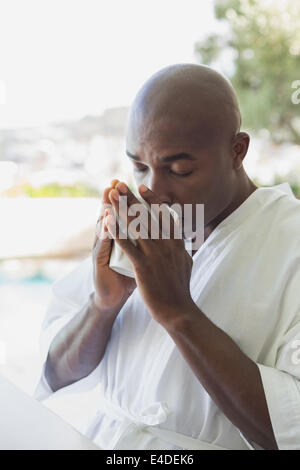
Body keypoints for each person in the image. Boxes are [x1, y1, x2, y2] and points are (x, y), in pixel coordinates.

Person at [34, 64, 300, 450]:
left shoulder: (290, 241)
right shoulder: (138, 229)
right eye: (139, 166)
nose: (153, 189)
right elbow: (55, 374)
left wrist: (178, 312)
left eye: (179, 169)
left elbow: (291, 430)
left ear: (237, 151)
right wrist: (102, 305)